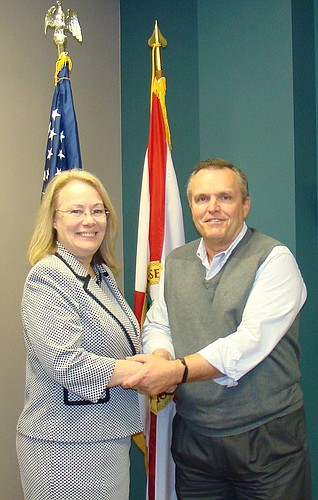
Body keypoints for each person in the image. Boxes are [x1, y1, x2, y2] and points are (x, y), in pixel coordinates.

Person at [123, 158, 311, 499]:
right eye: (201, 199)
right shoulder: (176, 262)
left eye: (225, 197)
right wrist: (162, 355)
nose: (213, 208)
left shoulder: (273, 259)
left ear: (245, 205)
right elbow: (158, 322)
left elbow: (248, 344)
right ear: (191, 206)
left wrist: (175, 372)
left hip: (266, 441)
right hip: (195, 440)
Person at [16, 169, 144, 500]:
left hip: (107, 439)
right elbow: (66, 363)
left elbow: (125, 343)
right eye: (76, 211)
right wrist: (142, 372)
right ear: (54, 221)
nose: (89, 220)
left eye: (97, 210)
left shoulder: (102, 275)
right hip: (64, 446)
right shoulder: (48, 276)